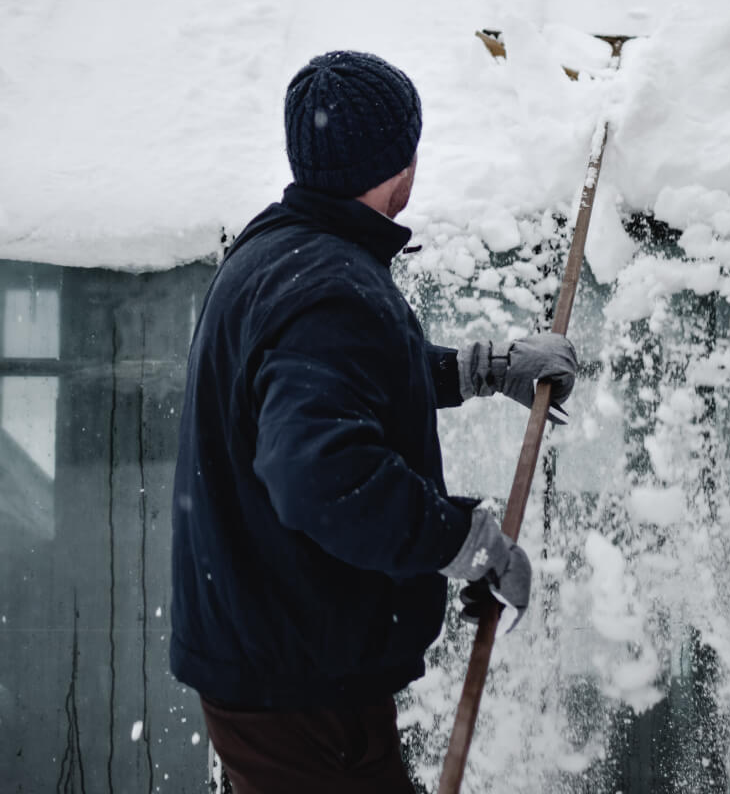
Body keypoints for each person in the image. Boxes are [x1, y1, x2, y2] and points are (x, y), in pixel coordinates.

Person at [170, 51, 578, 794]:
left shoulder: (276, 256)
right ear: (401, 164)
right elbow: (319, 474)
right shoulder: (329, 285)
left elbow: (347, 383)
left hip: (283, 665)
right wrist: (462, 541)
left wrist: (482, 369)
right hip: (297, 688)